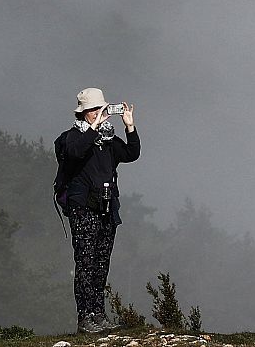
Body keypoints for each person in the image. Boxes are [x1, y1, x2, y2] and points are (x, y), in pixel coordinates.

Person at [55, 87, 141, 334]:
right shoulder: (71, 137)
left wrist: (129, 126)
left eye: (100, 109)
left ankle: (98, 314)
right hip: (83, 210)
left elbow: (132, 153)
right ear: (83, 113)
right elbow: (74, 152)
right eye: (93, 110)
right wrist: (93, 130)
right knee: (85, 263)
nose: (97, 114)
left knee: (101, 263)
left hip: (106, 209)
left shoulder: (108, 141)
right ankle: (85, 318)